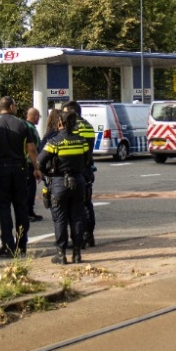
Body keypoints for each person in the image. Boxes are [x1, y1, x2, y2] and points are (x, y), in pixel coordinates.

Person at [0, 96, 41, 258]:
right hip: (20, 170)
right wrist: (36, 168)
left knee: (3, 208)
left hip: (0, 171)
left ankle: (7, 245)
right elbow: (31, 149)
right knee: (21, 207)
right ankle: (21, 245)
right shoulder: (22, 124)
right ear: (11, 107)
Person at [36, 109, 89, 264]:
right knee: (77, 218)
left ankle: (61, 254)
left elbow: (39, 162)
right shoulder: (81, 141)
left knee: (60, 219)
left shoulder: (54, 142)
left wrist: (48, 174)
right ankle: (77, 254)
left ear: (60, 123)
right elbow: (87, 161)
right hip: (78, 182)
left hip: (59, 183)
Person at [63, 100, 97, 247]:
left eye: (64, 112)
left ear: (71, 112)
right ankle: (89, 235)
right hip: (87, 167)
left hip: (76, 169)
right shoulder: (88, 125)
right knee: (87, 202)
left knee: (76, 206)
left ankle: (80, 238)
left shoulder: (73, 127)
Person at [39, 109, 61, 212]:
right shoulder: (63, 134)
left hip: (51, 173)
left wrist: (44, 174)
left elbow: (41, 156)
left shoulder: (48, 135)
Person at [25, 107, 44, 223]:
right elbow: (32, 148)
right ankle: (27, 213)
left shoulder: (30, 127)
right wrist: (36, 166)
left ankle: (30, 211)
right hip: (28, 162)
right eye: (39, 117)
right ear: (35, 116)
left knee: (31, 189)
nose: (39, 119)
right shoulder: (28, 128)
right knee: (28, 189)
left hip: (30, 162)